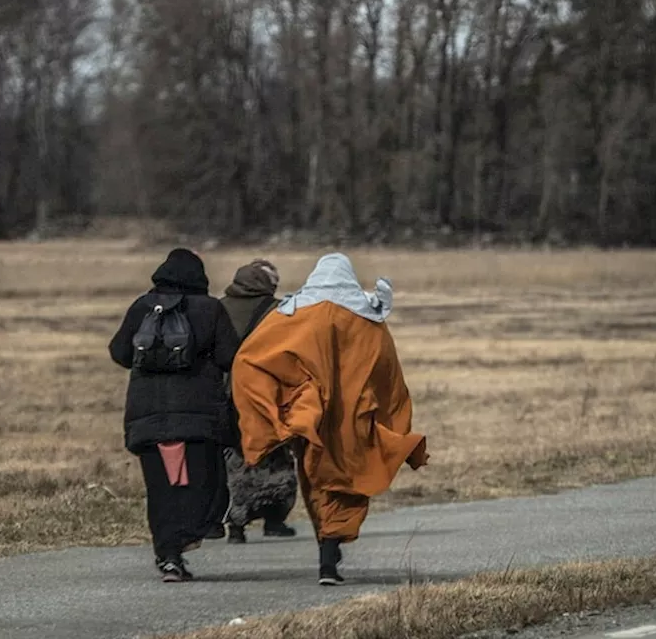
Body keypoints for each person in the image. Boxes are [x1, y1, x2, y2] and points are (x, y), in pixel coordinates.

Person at [230, 253, 429, 586]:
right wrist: (394, 423)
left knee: (316, 480)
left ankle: (327, 550)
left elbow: (251, 359)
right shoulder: (368, 320)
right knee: (347, 483)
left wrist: (279, 408)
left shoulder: (295, 315)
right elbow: (388, 375)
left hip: (314, 421)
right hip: (355, 422)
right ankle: (331, 549)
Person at [108, 248, 241, 583]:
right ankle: (188, 536)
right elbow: (229, 357)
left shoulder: (142, 306)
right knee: (203, 484)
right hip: (199, 417)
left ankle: (168, 554)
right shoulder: (211, 308)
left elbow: (120, 352)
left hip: (147, 416)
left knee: (160, 490)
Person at [213, 259, 298, 544]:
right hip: (265, 393)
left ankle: (235, 521)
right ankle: (275, 518)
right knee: (275, 451)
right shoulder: (278, 311)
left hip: (226, 393)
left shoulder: (218, 307)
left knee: (234, 456)